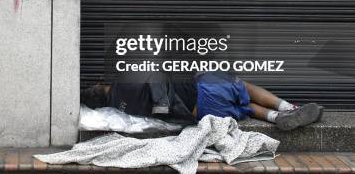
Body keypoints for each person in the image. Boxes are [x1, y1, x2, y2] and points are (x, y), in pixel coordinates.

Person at [81, 72, 323, 131]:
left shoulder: (120, 110)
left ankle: (275, 118)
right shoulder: (124, 82)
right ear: (100, 87)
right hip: (199, 91)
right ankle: (287, 108)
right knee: (241, 86)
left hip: (198, 113)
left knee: (244, 108)